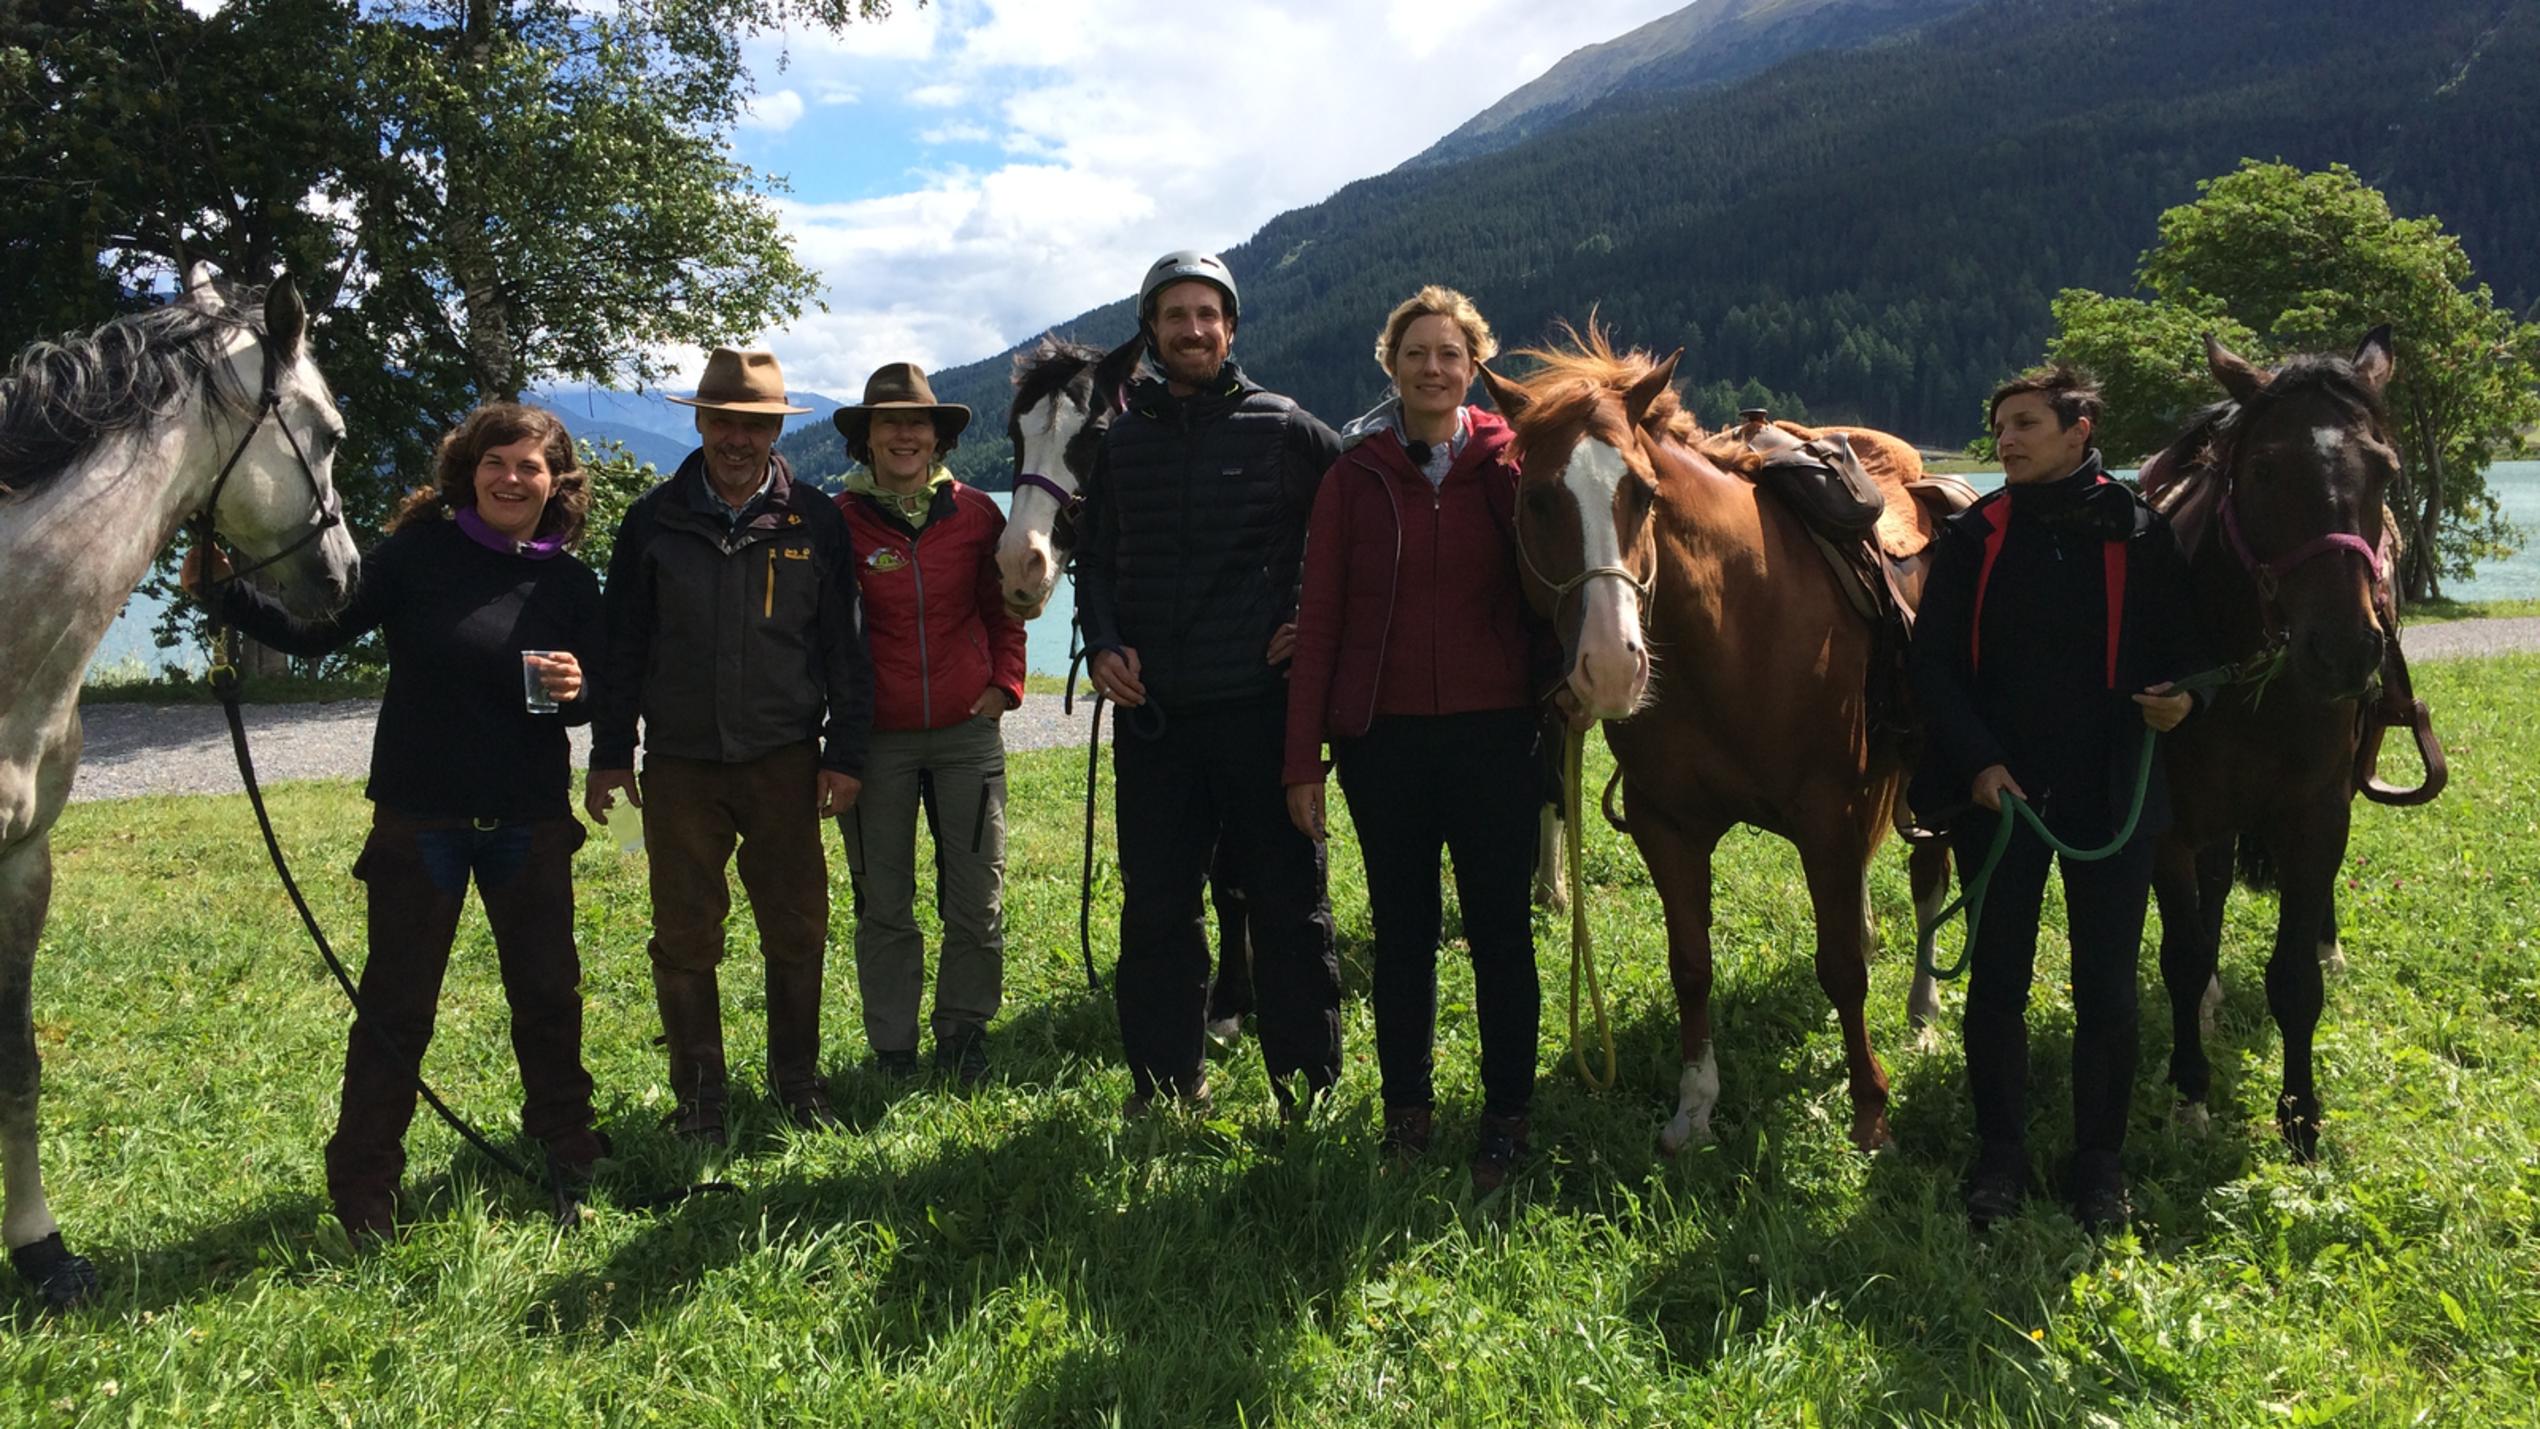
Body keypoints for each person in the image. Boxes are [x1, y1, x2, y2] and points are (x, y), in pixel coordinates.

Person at [183, 402, 607, 1242]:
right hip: (422, 820)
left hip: (530, 817)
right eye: (497, 462)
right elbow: (319, 635)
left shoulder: (568, 580)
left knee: (549, 992)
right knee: (398, 1005)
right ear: (468, 469)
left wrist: (577, 688)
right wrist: (225, 597)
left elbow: (596, 694)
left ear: (556, 483)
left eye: (530, 466)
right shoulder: (419, 554)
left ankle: (566, 1138)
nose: (512, 478)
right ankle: (366, 1175)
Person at [1908, 366, 2207, 1231]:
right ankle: (1998, 1155)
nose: (2005, 440)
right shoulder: (1976, 537)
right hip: (2001, 799)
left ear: (2080, 428)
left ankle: (2099, 1166)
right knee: (1997, 982)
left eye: (2026, 424)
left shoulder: (2142, 533)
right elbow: (1931, 664)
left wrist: (2188, 699)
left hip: (2113, 799)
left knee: (2108, 990)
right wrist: (1978, 763)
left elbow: (2194, 654)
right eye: (1999, 426)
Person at [1283, 285, 1550, 1188]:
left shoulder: (1516, 468)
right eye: (1416, 353)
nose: (1433, 368)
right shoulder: (1352, 478)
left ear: (1475, 368)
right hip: (1383, 744)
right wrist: (1303, 760)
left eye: (1451, 355)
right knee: (1401, 934)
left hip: (1496, 736)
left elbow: (1559, 591)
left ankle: (1508, 1118)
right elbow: (1318, 622)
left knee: (1502, 931)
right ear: (1390, 365)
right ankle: (1408, 1115)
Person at [1076, 249, 1344, 1119]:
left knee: (1288, 904)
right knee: (1157, 911)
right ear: (1150, 330)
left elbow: (1351, 539)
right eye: (1174, 315)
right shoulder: (1120, 444)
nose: (1193, 329)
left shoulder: (1288, 428)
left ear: (1231, 327)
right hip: (1156, 721)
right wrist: (1105, 639)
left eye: (1208, 314)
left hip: (1262, 714)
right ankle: (1164, 1083)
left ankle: (1305, 1085)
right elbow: (1096, 562)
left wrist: (1317, 619)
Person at [586, 347, 872, 1144]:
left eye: (755, 424)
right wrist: (611, 755)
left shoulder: (816, 520)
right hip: (677, 766)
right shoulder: (651, 520)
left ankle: (797, 1085)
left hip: (786, 759)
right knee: (683, 932)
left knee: (798, 924)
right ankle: (701, 1099)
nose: (738, 439)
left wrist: (845, 753)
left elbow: (847, 649)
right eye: (722, 422)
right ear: (701, 422)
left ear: (778, 425)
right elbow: (622, 649)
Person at [830, 362, 1026, 1084]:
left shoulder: (977, 514)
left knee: (976, 893)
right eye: (890, 422)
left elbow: (1005, 605)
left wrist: (1005, 683)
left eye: (918, 423)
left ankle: (964, 1032)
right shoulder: (838, 521)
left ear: (938, 438)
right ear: (868, 437)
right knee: (884, 902)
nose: (905, 434)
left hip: (965, 732)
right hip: (875, 740)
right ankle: (893, 1047)